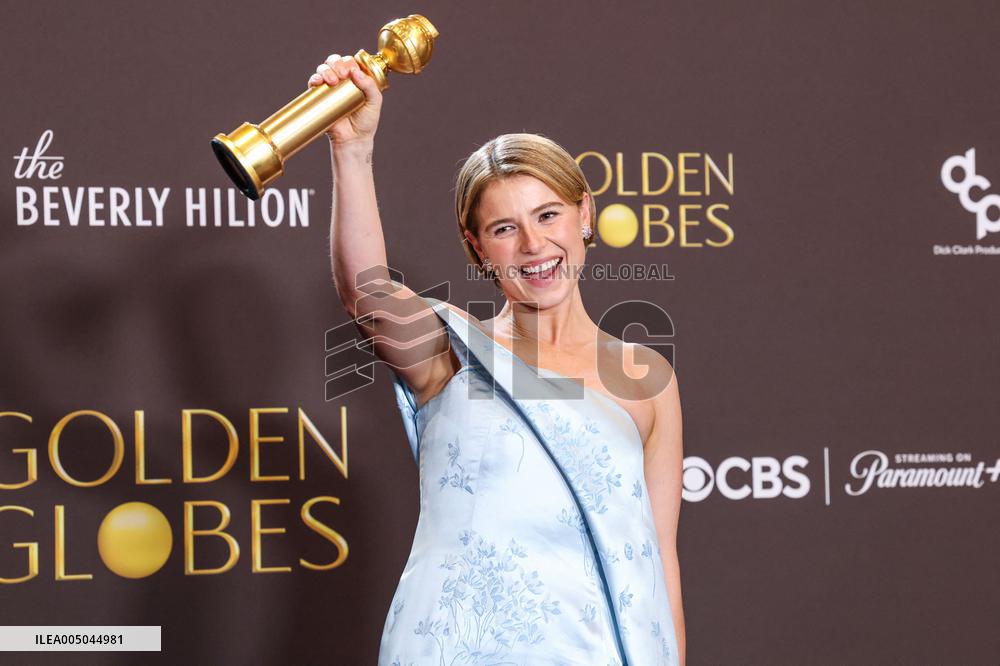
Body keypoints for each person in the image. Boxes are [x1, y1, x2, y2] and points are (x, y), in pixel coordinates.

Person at [310, 53, 686, 666]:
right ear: (476, 246)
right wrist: (351, 151)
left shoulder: (648, 378)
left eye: (548, 215)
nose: (535, 246)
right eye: (505, 228)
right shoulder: (453, 353)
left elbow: (657, 561)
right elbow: (369, 295)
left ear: (584, 213)